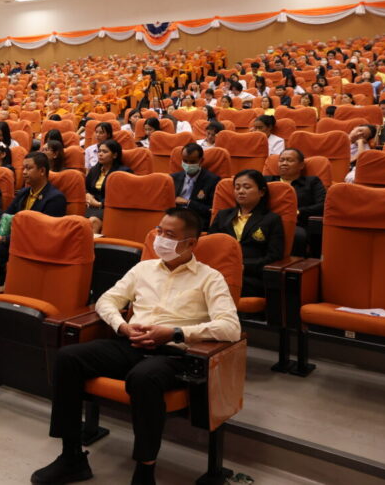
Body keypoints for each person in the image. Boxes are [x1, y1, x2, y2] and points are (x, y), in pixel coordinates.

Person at [32, 208, 240, 485]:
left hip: (174, 354)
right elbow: (107, 300)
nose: (160, 239)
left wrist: (175, 333)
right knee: (68, 357)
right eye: (159, 231)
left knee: (143, 378)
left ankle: (144, 471)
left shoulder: (209, 278)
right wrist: (121, 325)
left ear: (191, 243)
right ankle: (72, 458)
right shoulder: (143, 269)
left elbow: (231, 328)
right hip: (130, 342)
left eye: (169, 235)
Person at [0, 152, 67, 283]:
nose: (23, 172)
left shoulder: (55, 198)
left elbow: (42, 234)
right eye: (23, 168)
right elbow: (6, 217)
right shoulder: (24, 193)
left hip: (34, 247)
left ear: (42, 171)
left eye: (28, 168)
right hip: (14, 241)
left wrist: (2, 239)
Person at [209, 170, 284, 297]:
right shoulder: (223, 215)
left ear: (262, 192)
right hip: (220, 272)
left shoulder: (271, 219)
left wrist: (242, 266)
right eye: (237, 187)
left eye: (247, 187)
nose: (241, 191)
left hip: (251, 277)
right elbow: (211, 247)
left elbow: (274, 257)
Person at [264, 148, 325, 257]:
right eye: (281, 160)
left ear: (301, 165)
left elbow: (323, 205)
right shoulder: (267, 180)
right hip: (266, 222)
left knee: (297, 236)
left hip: (297, 224)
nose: (284, 163)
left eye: (289, 160)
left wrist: (297, 212)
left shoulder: (312, 182)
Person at [84, 140, 132, 233]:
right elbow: (86, 188)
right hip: (91, 206)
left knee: (93, 221)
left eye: (105, 152)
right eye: (99, 151)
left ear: (114, 155)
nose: (100, 154)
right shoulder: (95, 169)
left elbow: (122, 197)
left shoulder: (123, 172)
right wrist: (88, 195)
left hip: (110, 208)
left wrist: (100, 204)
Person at [170, 143, 219, 230]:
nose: (188, 165)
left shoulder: (213, 180)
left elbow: (211, 211)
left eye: (192, 162)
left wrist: (187, 202)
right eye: (185, 161)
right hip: (174, 218)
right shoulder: (173, 178)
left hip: (196, 222)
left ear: (201, 161)